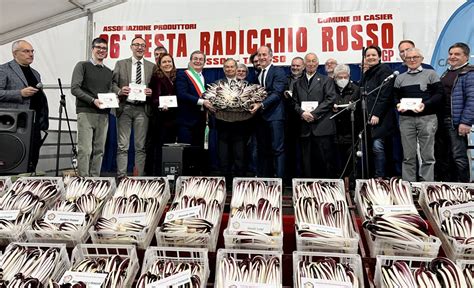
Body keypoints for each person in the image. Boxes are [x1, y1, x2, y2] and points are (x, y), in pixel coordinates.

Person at [394, 48, 443, 182]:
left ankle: (427, 185)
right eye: (409, 58)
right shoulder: (400, 78)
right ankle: (409, 186)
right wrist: (398, 105)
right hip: (406, 120)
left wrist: (425, 105)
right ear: (405, 60)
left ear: (421, 59)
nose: (412, 60)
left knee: (427, 155)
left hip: (427, 119)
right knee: (408, 156)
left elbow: (439, 94)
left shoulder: (431, 74)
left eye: (415, 57)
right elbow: (395, 97)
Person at [0, 40, 49, 172]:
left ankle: (29, 181)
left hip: (34, 123)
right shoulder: (4, 70)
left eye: (32, 51)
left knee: (33, 156)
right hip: (13, 124)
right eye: (26, 51)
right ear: (15, 53)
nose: (31, 54)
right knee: (14, 158)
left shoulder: (36, 73)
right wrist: (19, 93)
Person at [111, 36, 154, 178]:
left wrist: (151, 91)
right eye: (136, 44)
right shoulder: (121, 63)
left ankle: (138, 178)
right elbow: (112, 84)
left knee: (140, 147)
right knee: (122, 146)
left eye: (142, 45)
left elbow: (155, 87)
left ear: (146, 48)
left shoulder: (151, 66)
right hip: (125, 108)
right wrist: (119, 90)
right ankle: (121, 177)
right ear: (131, 47)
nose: (139, 47)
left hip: (143, 109)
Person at [71, 37, 113, 177]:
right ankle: (83, 180)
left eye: (104, 48)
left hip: (103, 114)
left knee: (99, 150)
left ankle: (95, 180)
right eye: (98, 47)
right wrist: (92, 100)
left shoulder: (109, 72)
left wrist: (115, 97)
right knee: (85, 149)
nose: (101, 50)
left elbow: (110, 91)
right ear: (92, 49)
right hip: (86, 112)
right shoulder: (82, 66)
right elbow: (75, 89)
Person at [292, 52, 338, 178]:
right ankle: (309, 189)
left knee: (325, 162)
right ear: (304, 64)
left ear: (317, 64)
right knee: (306, 162)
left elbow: (330, 99)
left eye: (313, 61)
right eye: (308, 61)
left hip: (322, 127)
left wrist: (313, 114)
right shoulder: (297, 83)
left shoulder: (326, 80)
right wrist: (302, 113)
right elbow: (294, 102)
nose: (311, 64)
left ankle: (325, 191)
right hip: (305, 128)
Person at [436, 42, 473, 182]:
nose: (452, 57)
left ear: (466, 56)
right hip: (441, 120)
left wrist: (465, 121)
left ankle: (464, 189)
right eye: (451, 54)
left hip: (456, 122)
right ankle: (448, 188)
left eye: (457, 54)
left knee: (458, 156)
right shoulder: (447, 72)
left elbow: (472, 99)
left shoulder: (469, 73)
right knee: (444, 156)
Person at [250, 46, 287, 178]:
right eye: (259, 55)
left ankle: (280, 182)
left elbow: (277, 93)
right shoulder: (259, 74)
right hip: (261, 118)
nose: (261, 57)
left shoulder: (278, 71)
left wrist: (261, 105)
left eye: (264, 55)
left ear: (271, 57)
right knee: (264, 151)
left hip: (275, 117)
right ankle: (266, 180)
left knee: (278, 150)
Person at [360, 45, 396, 178]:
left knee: (378, 147)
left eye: (373, 55)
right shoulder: (368, 73)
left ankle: (381, 177)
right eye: (368, 55)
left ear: (380, 56)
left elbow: (385, 94)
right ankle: (373, 176)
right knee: (372, 149)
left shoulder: (384, 70)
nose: (370, 58)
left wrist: (376, 113)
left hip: (381, 118)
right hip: (368, 118)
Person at [214, 58, 248, 184]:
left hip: (240, 125)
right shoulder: (217, 84)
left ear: (236, 68)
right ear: (223, 69)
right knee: (223, 156)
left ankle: (241, 183)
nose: (229, 69)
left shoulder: (245, 85)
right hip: (222, 124)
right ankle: (225, 185)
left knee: (240, 156)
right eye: (227, 67)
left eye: (232, 67)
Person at [146, 53, 177, 175]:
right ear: (159, 65)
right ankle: (157, 176)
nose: (167, 64)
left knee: (168, 149)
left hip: (171, 119)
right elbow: (154, 99)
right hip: (160, 120)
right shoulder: (157, 78)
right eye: (164, 62)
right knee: (159, 149)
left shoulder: (174, 78)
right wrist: (161, 105)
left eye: (169, 61)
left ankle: (167, 175)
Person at [176, 50, 215, 148]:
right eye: (195, 59)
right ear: (190, 61)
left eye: (201, 59)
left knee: (199, 152)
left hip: (201, 120)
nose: (198, 61)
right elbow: (182, 94)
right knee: (186, 152)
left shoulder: (206, 77)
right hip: (186, 121)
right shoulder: (183, 74)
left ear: (204, 62)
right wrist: (202, 102)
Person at [332, 64, 360, 178]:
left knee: (350, 159)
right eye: (340, 77)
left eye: (345, 77)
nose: (342, 79)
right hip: (334, 130)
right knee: (335, 159)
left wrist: (354, 107)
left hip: (350, 129)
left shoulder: (356, 89)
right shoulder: (329, 87)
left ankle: (350, 183)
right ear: (334, 77)